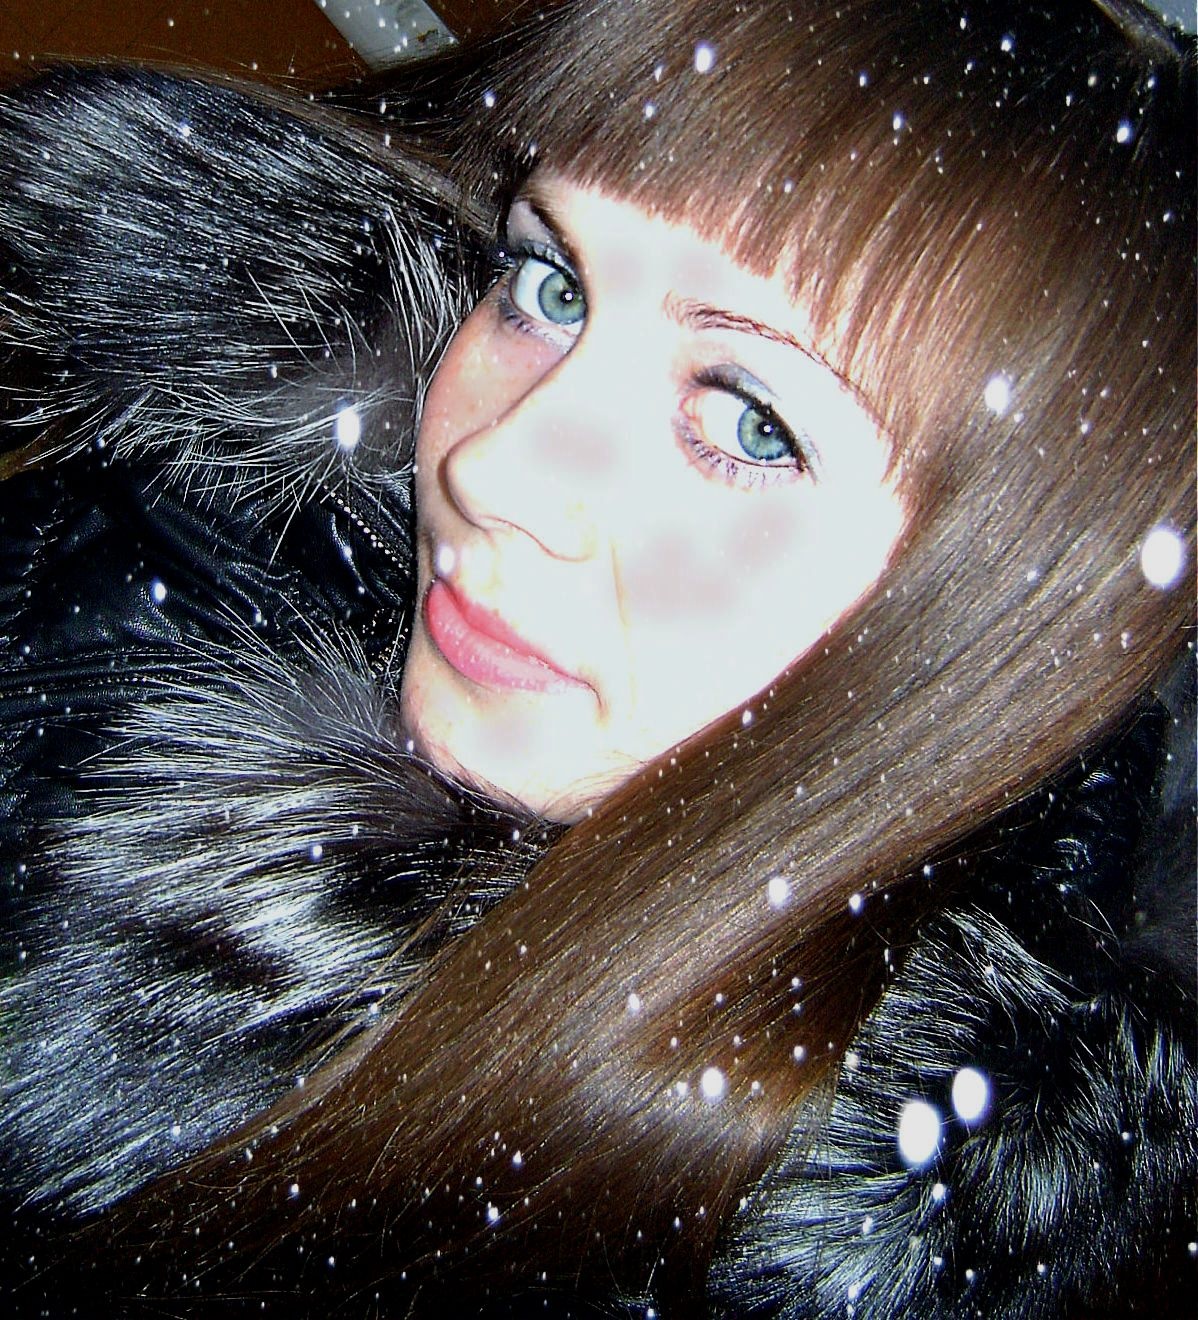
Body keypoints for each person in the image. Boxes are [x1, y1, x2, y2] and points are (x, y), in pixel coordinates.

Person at [1, 0, 1193, 1315]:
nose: (493, 464)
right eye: (550, 286)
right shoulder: (165, 547)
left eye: (750, 423)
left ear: (996, 616)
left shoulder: (809, 1248)